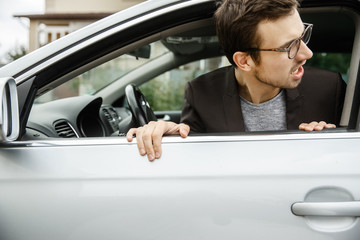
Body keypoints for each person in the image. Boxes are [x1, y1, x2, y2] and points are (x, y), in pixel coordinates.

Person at [126, 0, 346, 161]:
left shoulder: (329, 88)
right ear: (244, 61)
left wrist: (331, 140)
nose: (307, 54)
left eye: (303, 36)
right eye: (289, 47)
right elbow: (190, 151)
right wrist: (163, 133)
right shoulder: (201, 94)